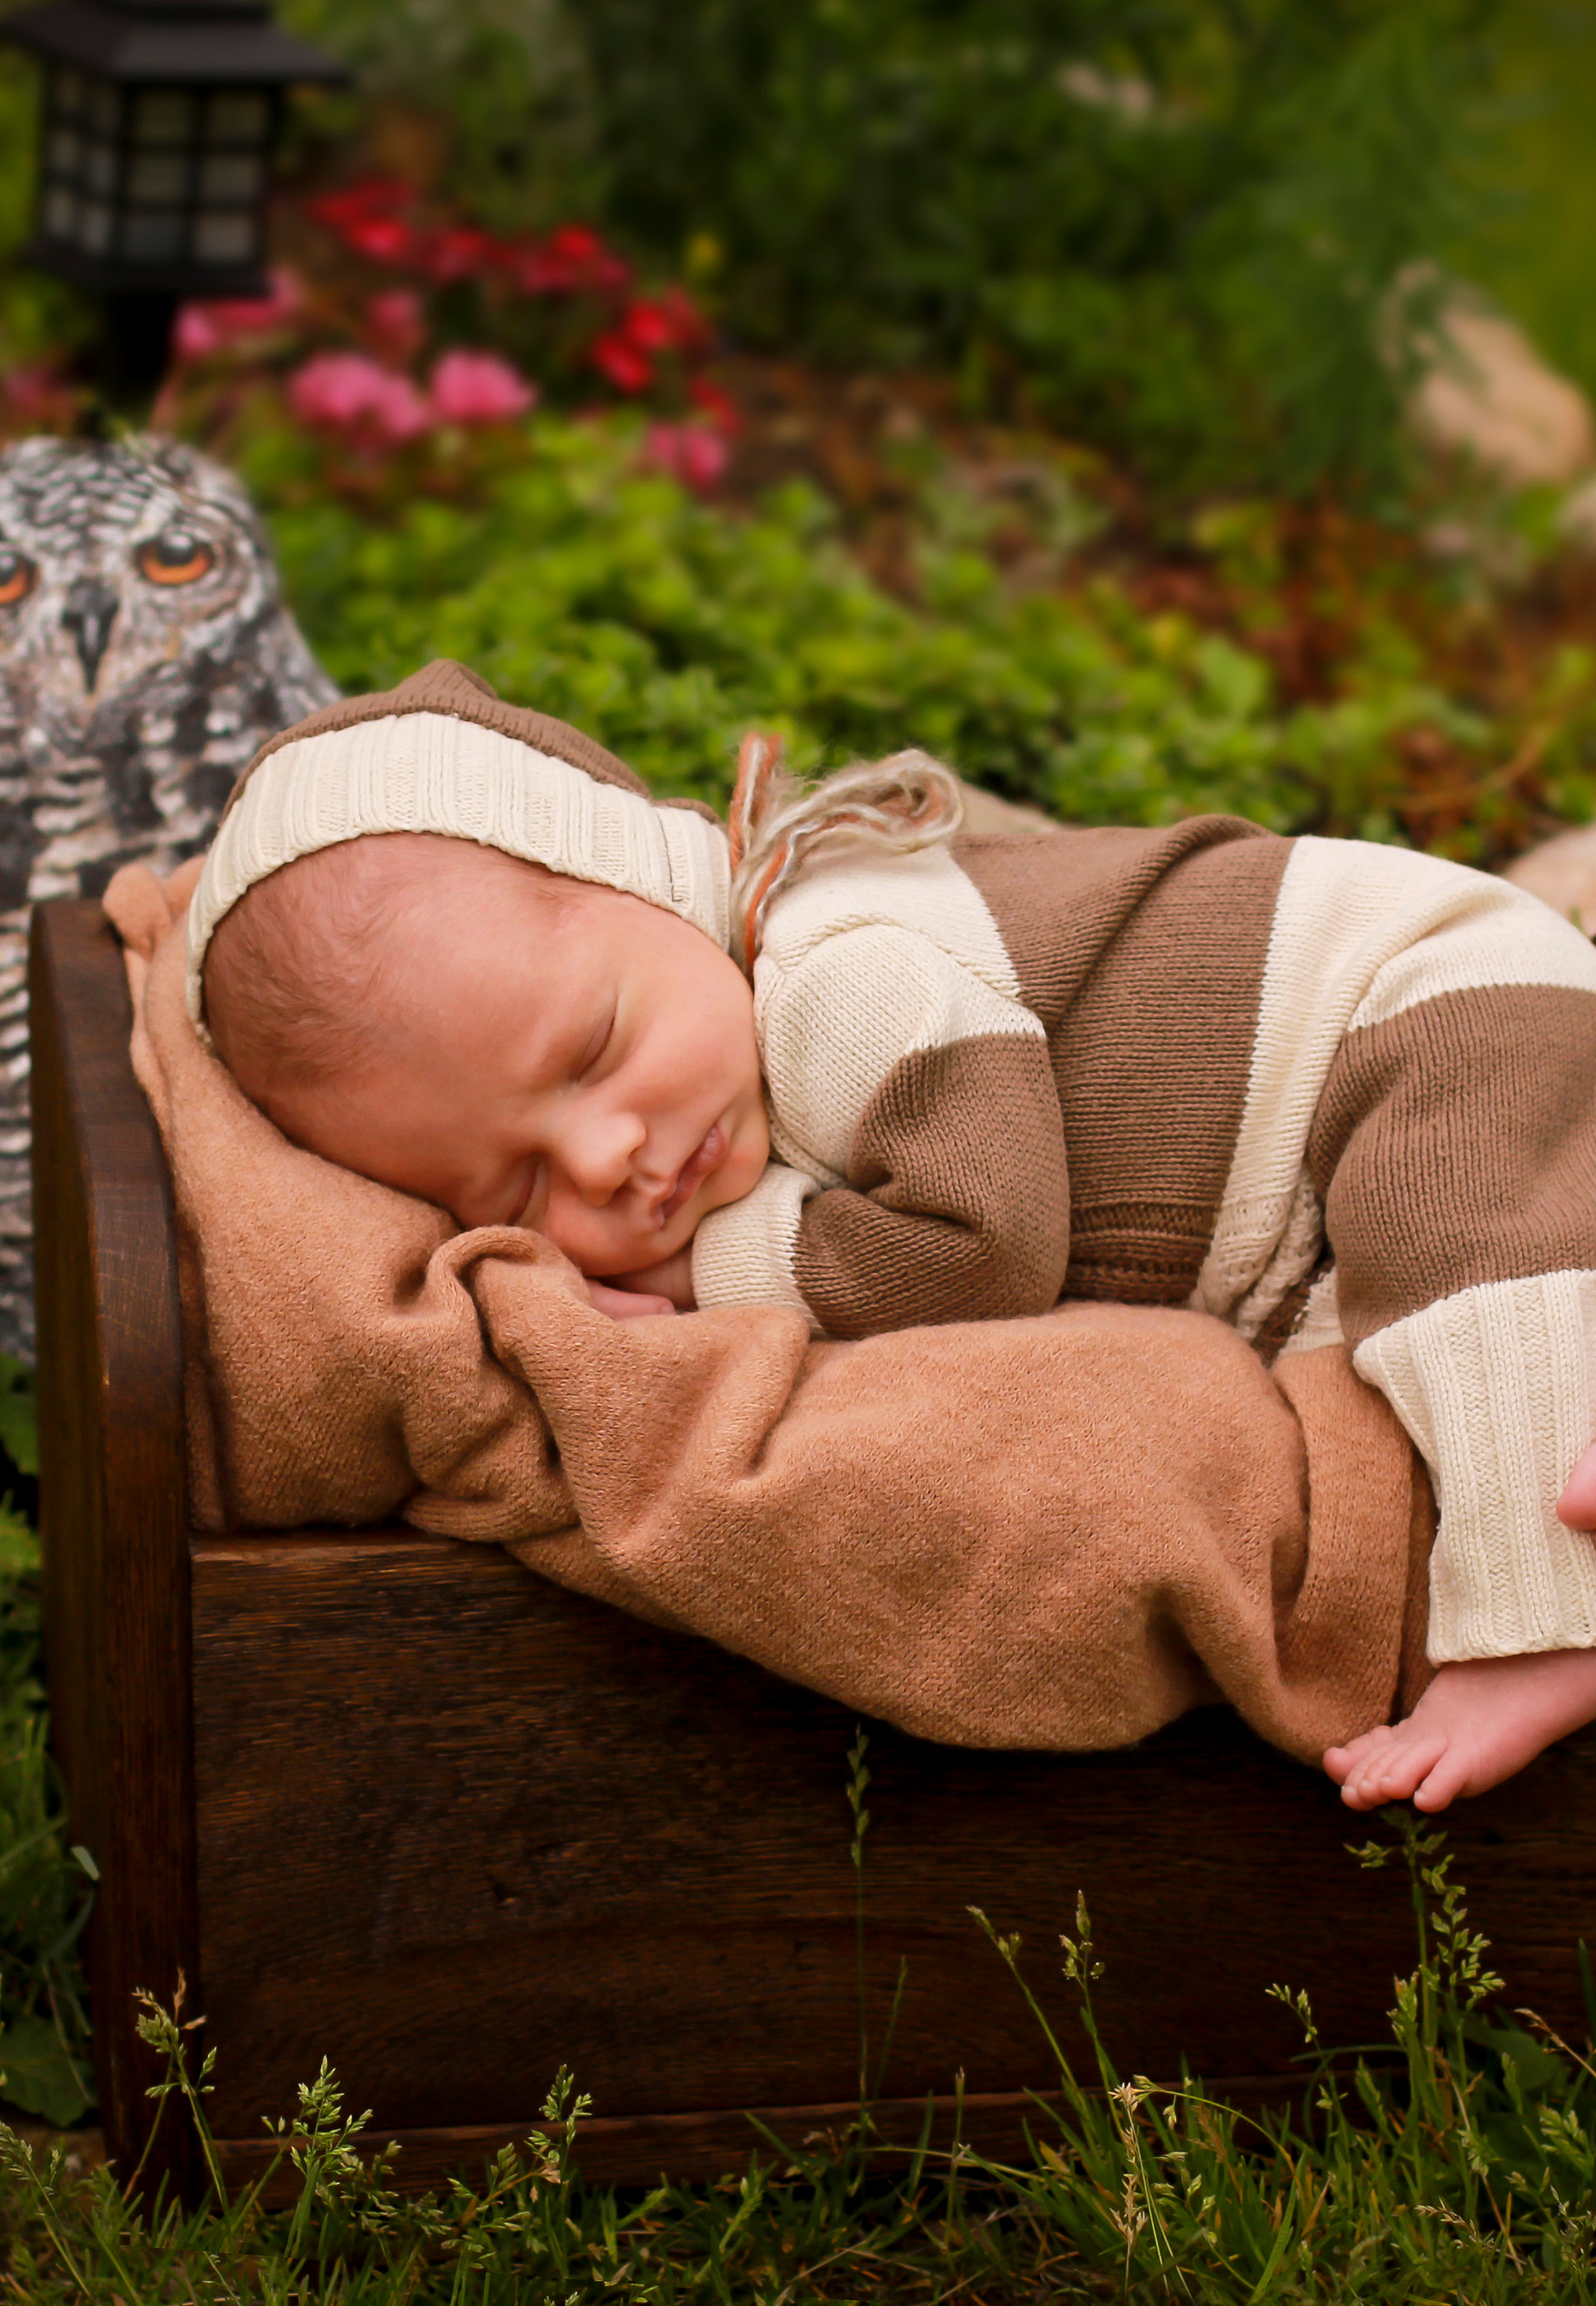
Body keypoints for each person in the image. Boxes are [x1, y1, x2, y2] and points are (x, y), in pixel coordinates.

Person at [188, 669, 1596, 1817]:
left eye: (596, 1049)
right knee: (1399, 1380)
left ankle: (1546, 1624)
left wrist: (710, 1277)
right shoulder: (716, 1053)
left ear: (664, 892)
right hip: (1280, 1200)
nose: (606, 1155)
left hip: (1414, 1003)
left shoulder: (838, 966)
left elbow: (984, 1244)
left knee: (1460, 1250)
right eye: (512, 1180)